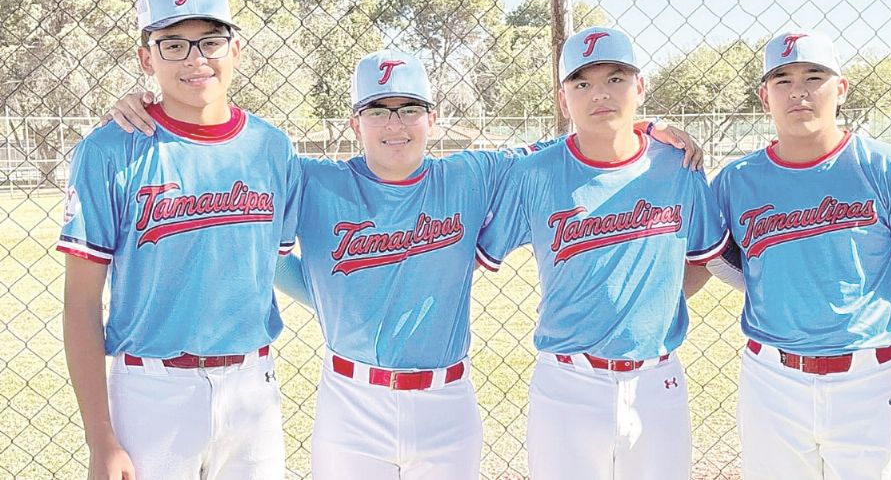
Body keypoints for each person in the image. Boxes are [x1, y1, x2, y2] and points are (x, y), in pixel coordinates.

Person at [104, 48, 702, 478]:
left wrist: (644, 126)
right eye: (379, 108)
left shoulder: (472, 176)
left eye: (410, 107)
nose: (396, 123)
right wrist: (149, 109)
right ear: (354, 121)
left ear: (433, 119)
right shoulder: (313, 181)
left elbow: (578, 144)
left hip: (447, 399)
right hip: (350, 398)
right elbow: (241, 198)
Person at [59, 0, 300, 480]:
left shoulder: (273, 148)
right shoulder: (108, 152)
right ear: (146, 57)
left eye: (210, 40)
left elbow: (276, 260)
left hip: (252, 387)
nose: (195, 59)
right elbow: (81, 303)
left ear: (235, 49)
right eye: (173, 44)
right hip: (152, 393)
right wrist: (100, 437)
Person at [696, 30, 891, 479]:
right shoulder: (735, 180)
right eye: (782, 79)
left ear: (840, 89)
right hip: (770, 380)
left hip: (870, 381)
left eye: (813, 76)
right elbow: (713, 260)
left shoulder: (885, 166)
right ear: (764, 97)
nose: (798, 90)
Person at [474, 26, 729, 479]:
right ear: (562, 98)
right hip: (566, 382)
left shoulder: (678, 165)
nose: (600, 94)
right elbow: (481, 254)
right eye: (582, 83)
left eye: (615, 78)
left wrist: (650, 303)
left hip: (657, 381)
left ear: (640, 87)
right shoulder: (534, 174)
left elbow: (705, 258)